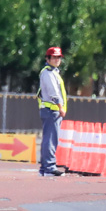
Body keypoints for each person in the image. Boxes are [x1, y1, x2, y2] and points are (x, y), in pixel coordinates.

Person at [38, 46, 68, 177]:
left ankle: (46, 168)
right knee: (50, 140)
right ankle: (49, 167)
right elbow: (53, 92)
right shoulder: (48, 73)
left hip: (51, 110)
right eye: (54, 57)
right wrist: (60, 107)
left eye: (58, 57)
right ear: (47, 58)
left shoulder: (53, 72)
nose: (57, 60)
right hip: (52, 110)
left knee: (49, 139)